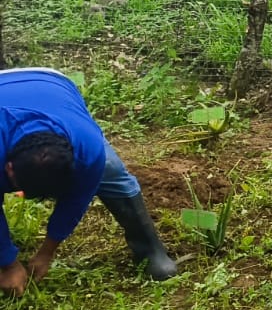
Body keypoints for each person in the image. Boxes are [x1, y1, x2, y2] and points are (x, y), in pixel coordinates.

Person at [0, 68, 177, 296]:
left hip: (53, 85)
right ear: (9, 166)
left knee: (110, 170)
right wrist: (9, 263)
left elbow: (75, 202)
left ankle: (150, 249)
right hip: (5, 83)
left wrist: (46, 254)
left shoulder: (87, 151)